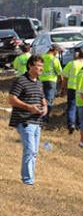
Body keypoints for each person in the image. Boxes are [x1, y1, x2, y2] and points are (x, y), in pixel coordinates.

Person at [8, 55, 47, 185]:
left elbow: (42, 99)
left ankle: (29, 178)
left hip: (37, 121)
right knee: (30, 150)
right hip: (24, 121)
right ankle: (28, 180)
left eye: (42, 66)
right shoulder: (21, 81)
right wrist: (29, 107)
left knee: (34, 152)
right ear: (30, 66)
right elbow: (12, 99)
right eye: (38, 66)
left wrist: (45, 107)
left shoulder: (39, 82)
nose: (41, 68)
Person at [62, 49, 83, 134]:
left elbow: (64, 76)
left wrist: (63, 87)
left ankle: (71, 124)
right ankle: (79, 125)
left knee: (71, 106)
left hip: (72, 88)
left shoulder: (71, 63)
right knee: (81, 106)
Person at [40, 44, 63, 121]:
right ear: (54, 50)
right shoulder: (54, 59)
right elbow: (59, 72)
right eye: (57, 51)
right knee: (49, 100)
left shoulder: (41, 57)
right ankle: (45, 117)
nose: (57, 53)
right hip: (51, 81)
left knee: (41, 99)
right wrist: (62, 81)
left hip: (40, 80)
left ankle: (40, 115)